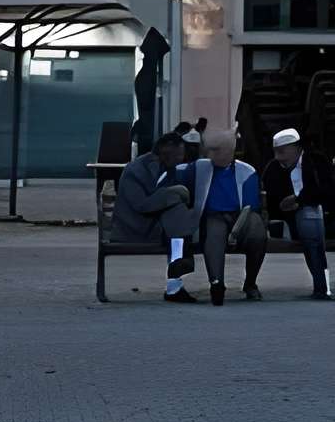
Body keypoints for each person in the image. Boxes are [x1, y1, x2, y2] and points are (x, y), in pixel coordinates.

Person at [264, 126, 335, 300]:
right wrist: (294, 204)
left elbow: (329, 191)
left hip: (331, 215)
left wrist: (299, 198)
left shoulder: (317, 161)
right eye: (276, 152)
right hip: (300, 222)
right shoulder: (273, 169)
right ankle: (322, 286)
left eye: (282, 152)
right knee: (309, 217)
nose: (278, 157)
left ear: (295, 148)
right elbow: (275, 203)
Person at [112, 131, 200, 304]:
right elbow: (142, 205)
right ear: (166, 154)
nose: (181, 159)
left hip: (159, 226)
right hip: (134, 228)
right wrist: (174, 194)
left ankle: (179, 267)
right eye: (179, 155)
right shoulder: (136, 170)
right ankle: (180, 268)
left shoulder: (167, 169)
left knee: (177, 217)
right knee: (177, 216)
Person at [185, 126, 267, 304]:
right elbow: (175, 172)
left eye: (217, 150)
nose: (211, 154)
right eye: (210, 150)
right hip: (212, 217)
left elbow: (249, 208)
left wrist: (236, 232)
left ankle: (250, 283)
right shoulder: (200, 167)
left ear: (230, 151)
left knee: (257, 231)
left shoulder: (247, 171)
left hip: (240, 216)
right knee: (215, 230)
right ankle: (217, 284)